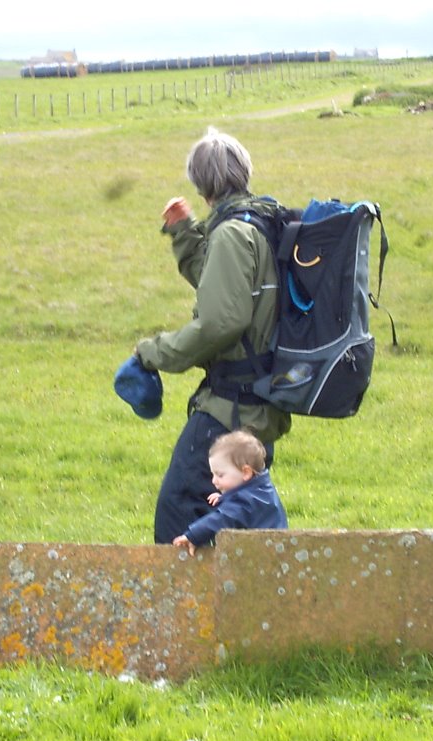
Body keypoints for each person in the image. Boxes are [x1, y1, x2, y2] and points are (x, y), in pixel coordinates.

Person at [135, 128, 291, 544]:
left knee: (178, 513)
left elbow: (222, 321)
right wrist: (185, 232)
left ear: (201, 183)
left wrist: (152, 353)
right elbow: (220, 283)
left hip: (231, 410)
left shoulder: (232, 234)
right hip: (258, 404)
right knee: (238, 522)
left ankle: (185, 608)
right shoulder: (259, 222)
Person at [172, 431, 287, 556]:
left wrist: (193, 535)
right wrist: (227, 498)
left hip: (261, 559)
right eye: (213, 474)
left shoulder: (246, 501)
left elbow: (223, 518)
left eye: (220, 475)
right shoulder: (260, 491)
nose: (214, 480)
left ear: (246, 472)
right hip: (270, 554)